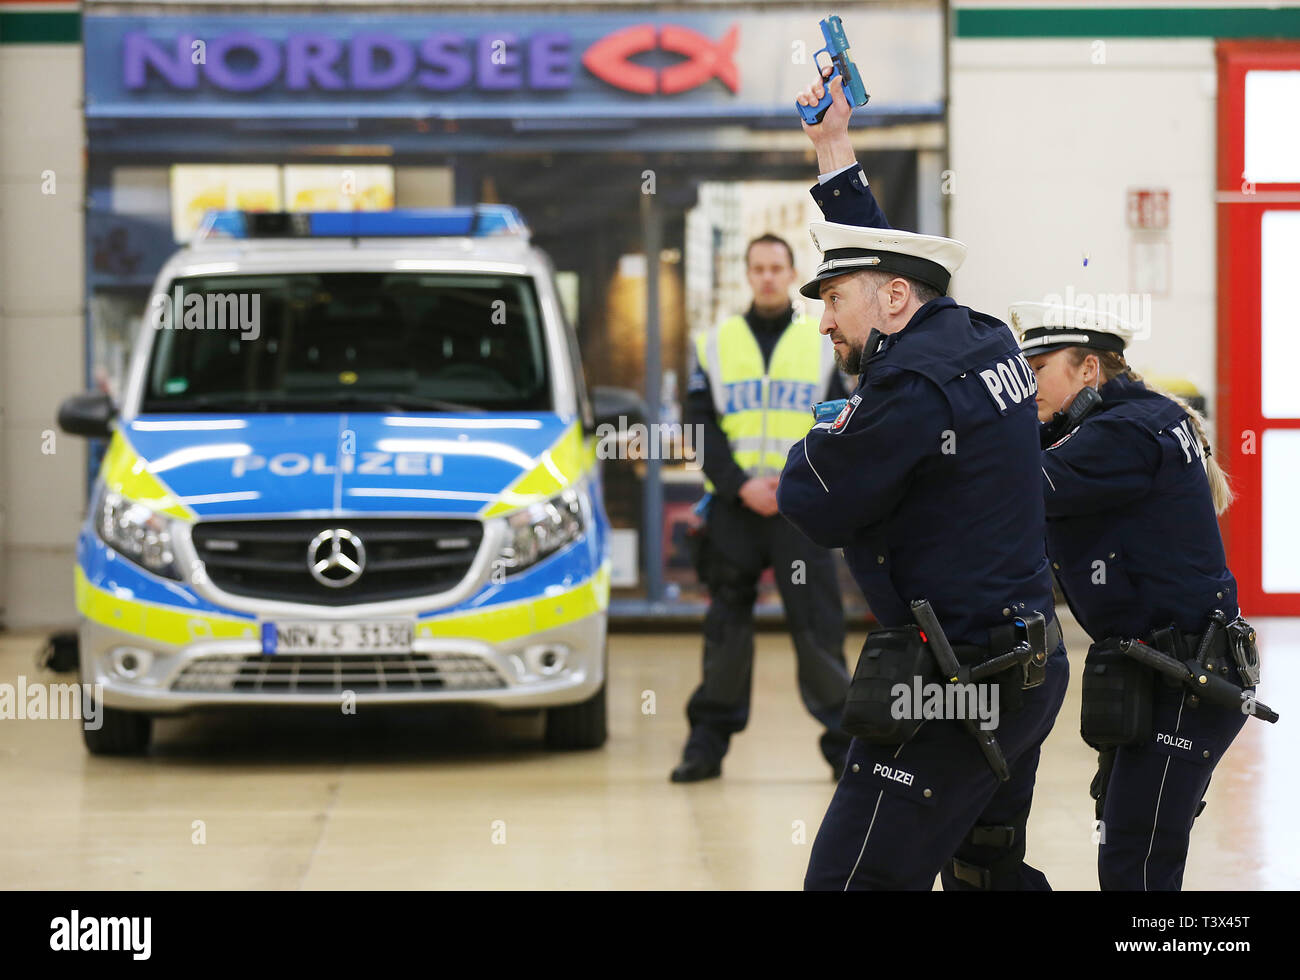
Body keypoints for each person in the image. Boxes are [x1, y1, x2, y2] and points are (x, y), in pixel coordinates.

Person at [777, 68, 1069, 890]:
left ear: (894, 298)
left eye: (832, 300)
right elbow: (879, 254)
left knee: (849, 881)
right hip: (1029, 665)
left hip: (954, 685)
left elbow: (813, 500)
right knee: (984, 872)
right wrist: (832, 145)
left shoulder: (909, 386)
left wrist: (821, 435)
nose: (826, 320)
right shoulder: (976, 334)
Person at [1013, 300, 1258, 890]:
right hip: (1157, 664)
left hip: (1187, 673)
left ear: (1090, 369)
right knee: (1130, 842)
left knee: (1138, 855)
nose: (1027, 385)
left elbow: (1028, 487)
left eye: (1040, 368)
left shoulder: (1124, 432)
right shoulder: (1136, 416)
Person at [671, 232, 854, 783]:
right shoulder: (715, 344)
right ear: (748, 275)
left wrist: (794, 481)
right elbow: (698, 427)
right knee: (725, 629)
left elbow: (843, 421)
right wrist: (737, 486)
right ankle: (705, 746)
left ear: (791, 272)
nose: (769, 277)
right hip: (736, 507)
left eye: (778, 267)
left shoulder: (825, 343)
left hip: (801, 507)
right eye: (760, 268)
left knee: (819, 628)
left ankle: (846, 749)